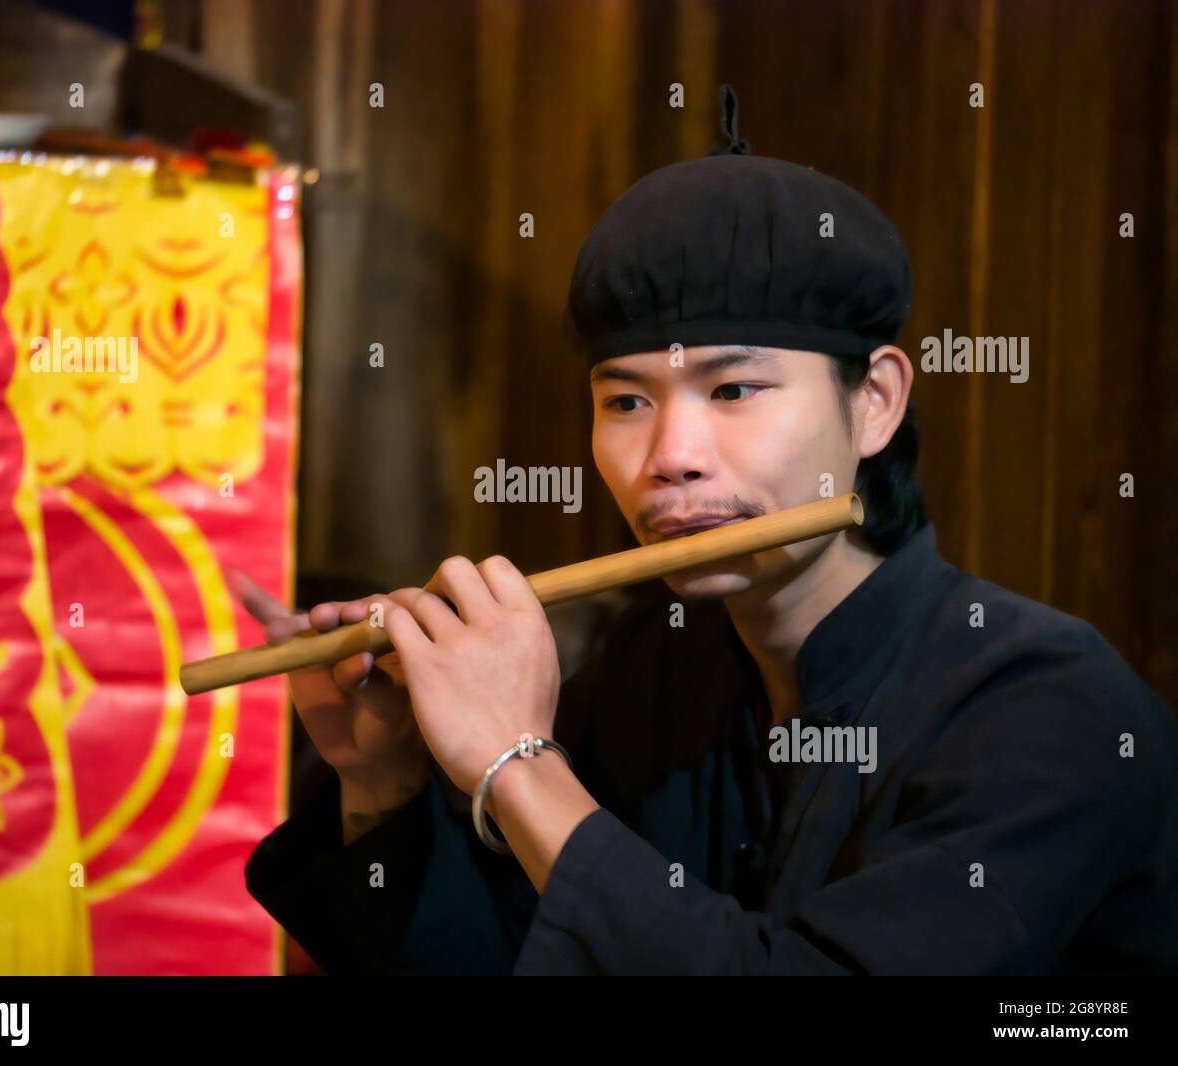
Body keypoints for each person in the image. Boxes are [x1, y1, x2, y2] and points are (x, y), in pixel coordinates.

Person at [238, 94, 1178, 975]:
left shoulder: (1049, 707)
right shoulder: (656, 664)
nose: (670, 456)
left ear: (876, 404)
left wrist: (517, 763)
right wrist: (383, 781)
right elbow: (510, 956)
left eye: (734, 390)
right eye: (625, 400)